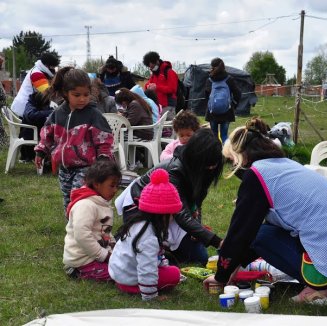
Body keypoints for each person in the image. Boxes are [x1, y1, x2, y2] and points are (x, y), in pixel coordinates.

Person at [203, 125, 327, 305]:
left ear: (242, 158)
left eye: (232, 161)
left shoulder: (256, 175)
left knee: (260, 234)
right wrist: (236, 265)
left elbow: (242, 232)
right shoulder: (287, 165)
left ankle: (321, 289)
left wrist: (221, 276)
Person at [114, 128, 224, 265]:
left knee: (199, 256)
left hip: (171, 214)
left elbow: (196, 203)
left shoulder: (208, 167)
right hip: (142, 209)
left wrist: (197, 228)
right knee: (150, 249)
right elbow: (181, 215)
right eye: (208, 165)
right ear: (198, 157)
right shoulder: (175, 170)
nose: (211, 168)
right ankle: (141, 242)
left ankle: (166, 246)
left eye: (213, 165)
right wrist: (218, 242)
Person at [34, 68, 114, 215]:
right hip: (64, 169)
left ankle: (83, 229)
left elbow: (104, 139)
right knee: (68, 201)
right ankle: (72, 232)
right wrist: (40, 151)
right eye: (77, 95)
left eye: (86, 94)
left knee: (79, 199)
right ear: (66, 93)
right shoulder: (58, 114)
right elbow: (47, 134)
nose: (82, 99)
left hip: (86, 167)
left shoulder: (93, 114)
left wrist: (104, 160)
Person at [109, 169, 182, 301]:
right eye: (171, 214)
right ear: (162, 215)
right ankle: (142, 290)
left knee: (169, 269)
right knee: (174, 274)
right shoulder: (148, 237)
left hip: (119, 274)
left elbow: (157, 255)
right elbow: (147, 269)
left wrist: (163, 265)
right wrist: (151, 296)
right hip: (129, 281)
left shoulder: (138, 223)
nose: (173, 217)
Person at [63, 160, 121, 281]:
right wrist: (105, 256)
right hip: (82, 261)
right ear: (96, 184)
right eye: (112, 185)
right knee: (121, 275)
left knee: (124, 267)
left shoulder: (101, 202)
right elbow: (82, 236)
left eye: (117, 186)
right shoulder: (86, 205)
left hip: (96, 256)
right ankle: (75, 270)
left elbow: (105, 232)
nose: (115, 190)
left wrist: (115, 250)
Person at [204, 58, 241, 144]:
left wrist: (210, 105)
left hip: (212, 112)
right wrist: (233, 105)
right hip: (227, 111)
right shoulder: (229, 79)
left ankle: (215, 154)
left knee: (214, 135)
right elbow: (238, 94)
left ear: (212, 67)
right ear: (223, 66)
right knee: (224, 135)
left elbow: (206, 95)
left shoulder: (209, 80)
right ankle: (227, 154)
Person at [11, 52, 60, 117]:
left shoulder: (38, 70)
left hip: (28, 106)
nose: (54, 69)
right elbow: (48, 93)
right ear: (46, 65)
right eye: (53, 67)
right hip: (26, 109)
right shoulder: (37, 74)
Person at [142, 51, 178, 120]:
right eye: (149, 67)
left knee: (169, 127)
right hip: (158, 106)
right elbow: (147, 84)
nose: (151, 68)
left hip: (168, 105)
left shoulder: (170, 72)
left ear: (157, 61)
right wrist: (148, 87)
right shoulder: (154, 74)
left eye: (152, 66)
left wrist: (157, 87)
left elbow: (173, 89)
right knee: (162, 129)